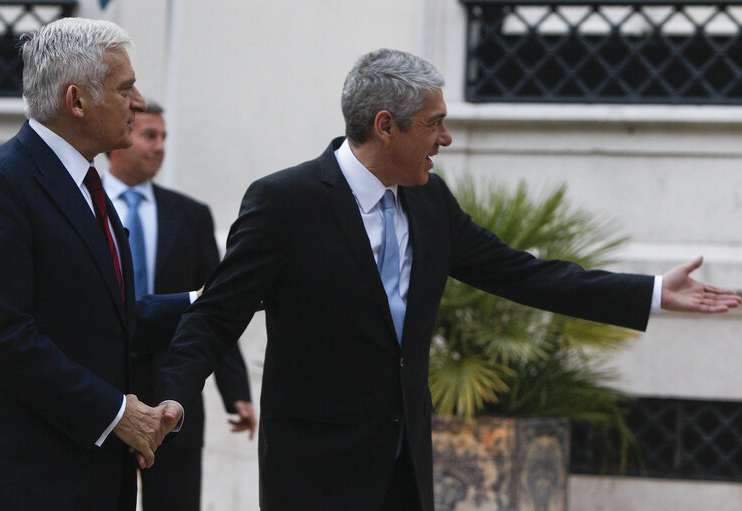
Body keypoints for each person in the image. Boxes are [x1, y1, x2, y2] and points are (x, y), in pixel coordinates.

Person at [155, 49, 741, 511]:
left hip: (407, 466)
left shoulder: (430, 201)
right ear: (386, 126)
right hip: (314, 472)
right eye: (435, 123)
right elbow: (217, 313)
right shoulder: (284, 201)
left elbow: (523, 274)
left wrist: (654, 292)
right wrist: (174, 400)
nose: (446, 139)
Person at [0, 18, 183, 511]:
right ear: (77, 101)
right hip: (21, 483)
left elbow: (101, 320)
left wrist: (210, 301)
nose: (138, 103)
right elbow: (2, 337)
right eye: (125, 88)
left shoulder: (85, 184)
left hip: (88, 478)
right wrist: (116, 413)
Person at [105, 101, 256, 511]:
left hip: (175, 388)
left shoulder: (190, 214)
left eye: (164, 137)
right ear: (120, 137)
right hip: (104, 387)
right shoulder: (86, 206)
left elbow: (215, 304)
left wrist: (236, 390)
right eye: (148, 136)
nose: (159, 147)